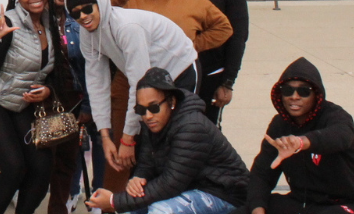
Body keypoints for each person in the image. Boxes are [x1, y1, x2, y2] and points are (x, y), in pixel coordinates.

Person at [64, 0, 196, 193]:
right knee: (147, 140)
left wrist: (127, 140)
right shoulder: (89, 34)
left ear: (101, 3)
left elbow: (139, 86)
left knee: (173, 139)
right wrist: (105, 136)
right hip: (147, 77)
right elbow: (97, 85)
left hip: (179, 69)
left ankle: (180, 197)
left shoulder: (127, 28)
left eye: (88, 9)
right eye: (76, 13)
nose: (83, 17)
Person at [0, 0, 77, 214]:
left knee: (41, 167)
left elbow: (53, 72)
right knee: (14, 167)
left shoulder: (52, 23)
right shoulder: (7, 22)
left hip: (20, 102)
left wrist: (48, 90)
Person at [84, 68, 248, 214]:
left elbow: (171, 183)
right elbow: (147, 162)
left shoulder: (192, 127)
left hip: (224, 194)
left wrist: (114, 201)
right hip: (190, 187)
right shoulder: (155, 123)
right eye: (141, 109)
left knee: (162, 211)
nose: (148, 115)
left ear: (172, 102)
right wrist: (138, 178)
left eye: (154, 107)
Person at [244, 59, 354, 214]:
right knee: (247, 209)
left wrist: (300, 143)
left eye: (304, 91)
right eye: (287, 90)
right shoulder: (279, 125)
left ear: (316, 95)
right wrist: (257, 210)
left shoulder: (336, 116)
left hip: (350, 206)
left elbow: (340, 136)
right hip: (304, 204)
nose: (294, 97)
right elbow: (261, 175)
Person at [41, 0, 98, 214]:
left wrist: (86, 105)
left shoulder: (78, 19)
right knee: (40, 164)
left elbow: (88, 66)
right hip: (41, 101)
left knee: (66, 163)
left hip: (72, 102)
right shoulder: (35, 16)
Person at [180, 0, 250, 125]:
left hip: (212, 75)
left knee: (207, 135)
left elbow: (238, 38)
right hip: (176, 73)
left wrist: (228, 82)